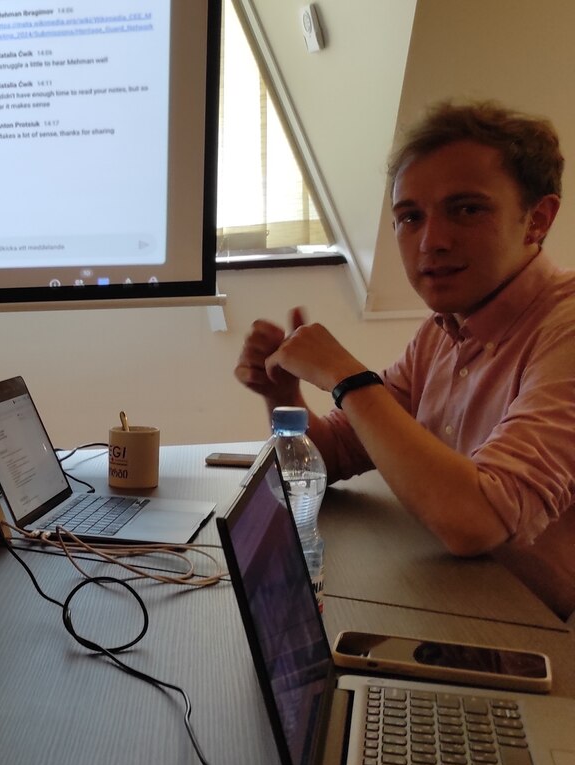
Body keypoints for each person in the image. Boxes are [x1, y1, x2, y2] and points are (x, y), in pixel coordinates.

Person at [234, 100, 575, 620]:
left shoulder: (564, 329)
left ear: (538, 219)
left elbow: (474, 522)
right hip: (459, 603)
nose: (431, 242)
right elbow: (331, 458)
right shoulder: (441, 333)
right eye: (410, 217)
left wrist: (347, 376)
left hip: (545, 648)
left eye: (467, 209)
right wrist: (284, 396)